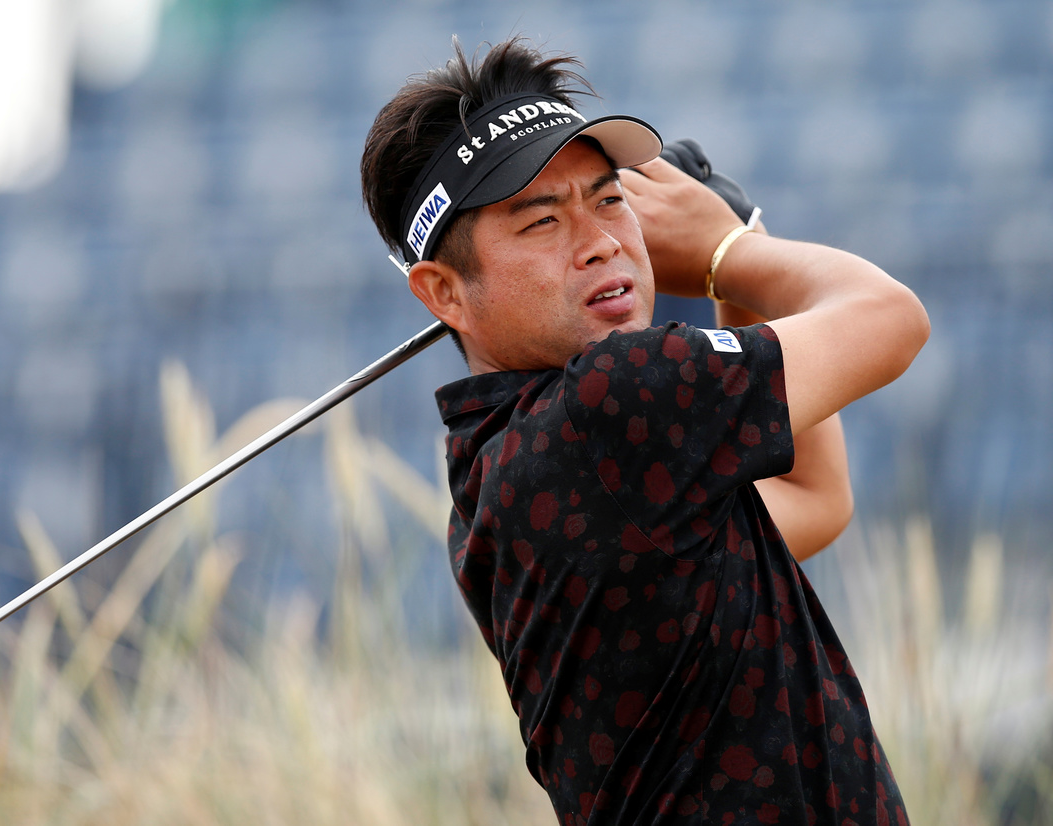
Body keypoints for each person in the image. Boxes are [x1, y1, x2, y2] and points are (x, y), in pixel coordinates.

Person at [361, 36, 928, 825]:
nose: (601, 242)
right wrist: (729, 248)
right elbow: (893, 318)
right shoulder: (613, 400)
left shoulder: (494, 463)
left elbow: (813, 497)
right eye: (541, 222)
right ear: (445, 293)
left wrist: (734, 244)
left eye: (608, 200)